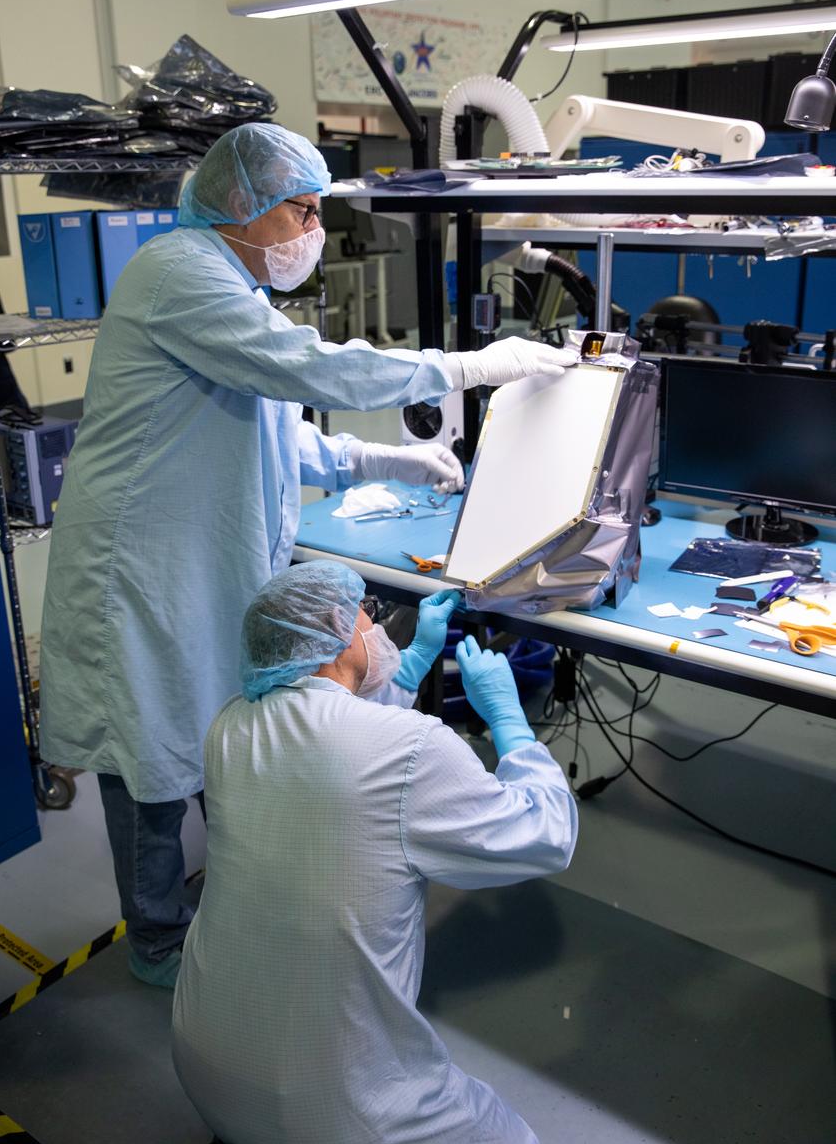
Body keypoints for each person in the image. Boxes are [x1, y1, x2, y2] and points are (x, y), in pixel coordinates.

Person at [39, 122, 575, 988]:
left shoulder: (230, 291)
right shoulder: (176, 273)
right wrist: (472, 367)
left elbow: (266, 425)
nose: (310, 233)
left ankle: (226, 899)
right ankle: (158, 940)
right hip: (138, 568)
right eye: (299, 212)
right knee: (148, 758)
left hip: (204, 562)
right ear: (241, 207)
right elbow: (314, 369)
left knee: (214, 729)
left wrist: (373, 458)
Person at [171, 558, 578, 1144]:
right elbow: (547, 837)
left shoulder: (228, 727)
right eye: (368, 612)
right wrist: (512, 725)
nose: (377, 625)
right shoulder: (412, 748)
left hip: (201, 1064)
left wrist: (411, 663)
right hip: (336, 1107)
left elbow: (341, 753)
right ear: (337, 631)